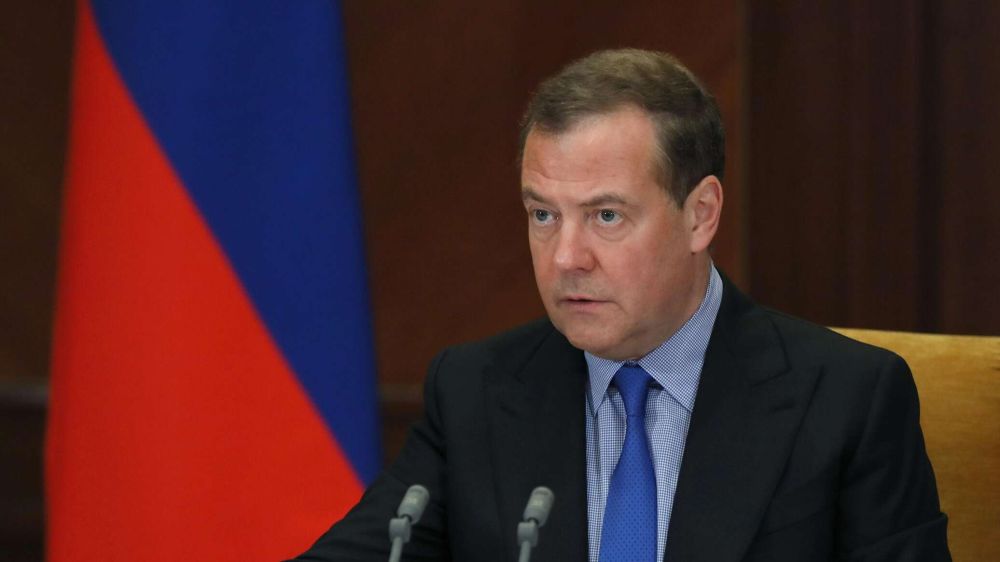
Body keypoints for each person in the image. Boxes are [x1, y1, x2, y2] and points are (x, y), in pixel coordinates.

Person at [292, 49, 950, 561]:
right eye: (543, 214)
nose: (565, 257)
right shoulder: (476, 392)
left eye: (606, 215)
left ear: (700, 214)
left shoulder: (846, 400)